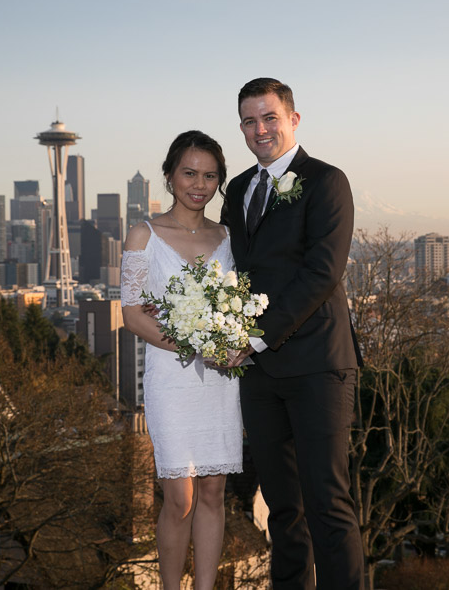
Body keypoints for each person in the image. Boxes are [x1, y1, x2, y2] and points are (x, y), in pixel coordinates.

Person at [219, 78, 364, 589]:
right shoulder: (236, 190)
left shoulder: (327, 181)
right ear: (240, 128)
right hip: (258, 375)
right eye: (249, 121)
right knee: (282, 510)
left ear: (293, 120)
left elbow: (322, 273)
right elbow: (232, 274)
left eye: (270, 117)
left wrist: (254, 337)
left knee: (328, 504)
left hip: (317, 366)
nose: (260, 129)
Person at [121, 130, 242, 590]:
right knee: (181, 498)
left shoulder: (229, 237)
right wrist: (197, 346)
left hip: (221, 380)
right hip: (172, 379)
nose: (200, 184)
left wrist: (230, 342)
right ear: (170, 175)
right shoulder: (143, 234)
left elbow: (240, 303)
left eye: (210, 176)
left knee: (214, 493)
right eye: (190, 173)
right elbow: (133, 316)